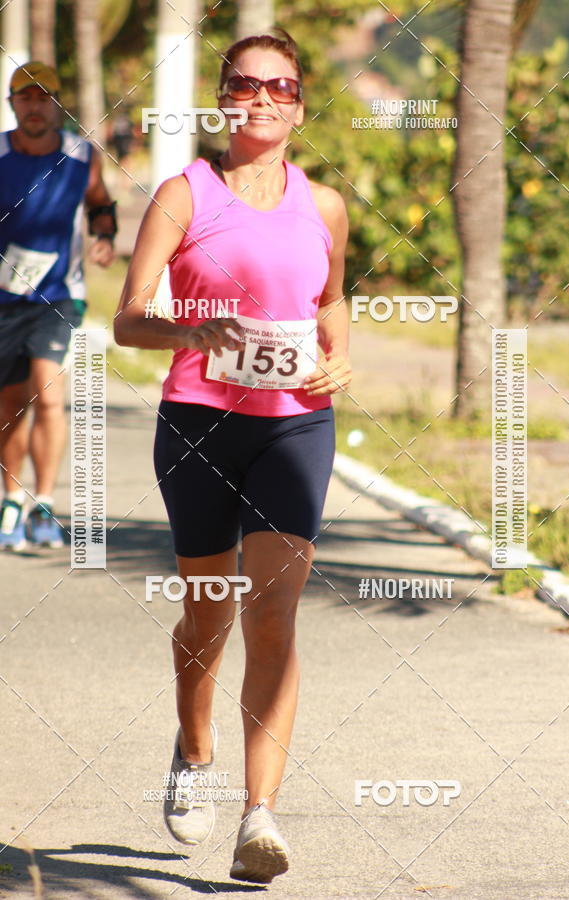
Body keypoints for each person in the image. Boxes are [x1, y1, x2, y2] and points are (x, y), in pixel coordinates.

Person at [114, 28, 351, 884]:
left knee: (274, 617)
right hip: (200, 424)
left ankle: (259, 818)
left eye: (279, 86)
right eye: (244, 83)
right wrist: (192, 329)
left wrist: (341, 354)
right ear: (222, 95)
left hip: (296, 422)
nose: (260, 98)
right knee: (208, 615)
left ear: (298, 102)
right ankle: (193, 742)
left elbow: (332, 302)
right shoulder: (185, 194)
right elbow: (128, 318)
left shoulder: (323, 205)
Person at [0, 61, 116, 550]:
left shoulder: (81, 154)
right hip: (3, 298)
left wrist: (105, 235)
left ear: (57, 104)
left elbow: (100, 203)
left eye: (44, 97)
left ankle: (44, 502)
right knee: (10, 404)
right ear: (12, 105)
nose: (34, 106)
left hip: (58, 296)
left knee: (48, 395)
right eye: (25, 97)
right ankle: (11, 500)